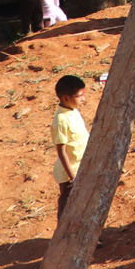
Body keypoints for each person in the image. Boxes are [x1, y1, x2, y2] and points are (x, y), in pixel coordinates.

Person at [52, 74, 89, 220]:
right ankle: (63, 237)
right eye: (79, 96)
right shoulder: (61, 121)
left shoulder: (73, 111)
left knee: (83, 203)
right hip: (69, 175)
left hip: (80, 169)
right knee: (68, 207)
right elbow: (61, 152)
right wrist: (73, 177)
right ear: (66, 98)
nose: (83, 99)